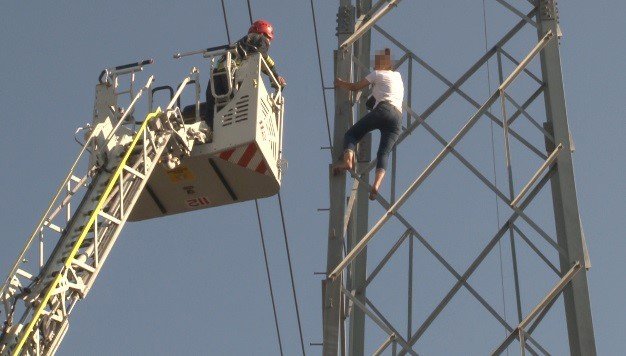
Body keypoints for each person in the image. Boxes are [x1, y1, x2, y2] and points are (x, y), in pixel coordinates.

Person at [333, 48, 404, 200]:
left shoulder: (377, 74)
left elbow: (355, 87)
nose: (374, 66)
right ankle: (377, 185)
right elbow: (374, 99)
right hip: (397, 118)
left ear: (381, 64)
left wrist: (340, 83)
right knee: (383, 153)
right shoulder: (397, 76)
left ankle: (347, 161)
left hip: (383, 110)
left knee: (352, 134)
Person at [204, 19, 286, 125]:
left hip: (217, 73)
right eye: (269, 39)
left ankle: (209, 127)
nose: (269, 42)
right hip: (232, 73)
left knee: (213, 106)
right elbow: (262, 56)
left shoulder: (241, 41)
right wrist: (275, 77)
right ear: (265, 33)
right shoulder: (261, 39)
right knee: (235, 103)